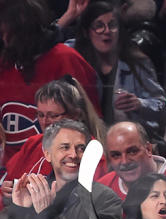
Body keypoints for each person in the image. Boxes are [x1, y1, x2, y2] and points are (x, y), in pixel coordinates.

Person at [0, 0, 99, 160]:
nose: (4, 40)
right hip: (12, 169)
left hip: (59, 166)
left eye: (7, 34)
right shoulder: (6, 65)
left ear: (23, 33)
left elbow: (90, 124)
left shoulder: (66, 60)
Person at [72, 2, 166, 138]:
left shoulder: (137, 62)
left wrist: (140, 103)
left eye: (112, 25)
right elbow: (51, 47)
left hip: (128, 142)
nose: (107, 31)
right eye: (99, 26)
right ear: (87, 32)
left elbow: (162, 106)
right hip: (90, 142)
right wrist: (69, 16)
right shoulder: (76, 59)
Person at [2, 78, 106, 196]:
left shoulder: (91, 152)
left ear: (75, 115)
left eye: (53, 116)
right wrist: (6, 190)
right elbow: (10, 180)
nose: (45, 122)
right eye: (41, 115)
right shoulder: (33, 143)